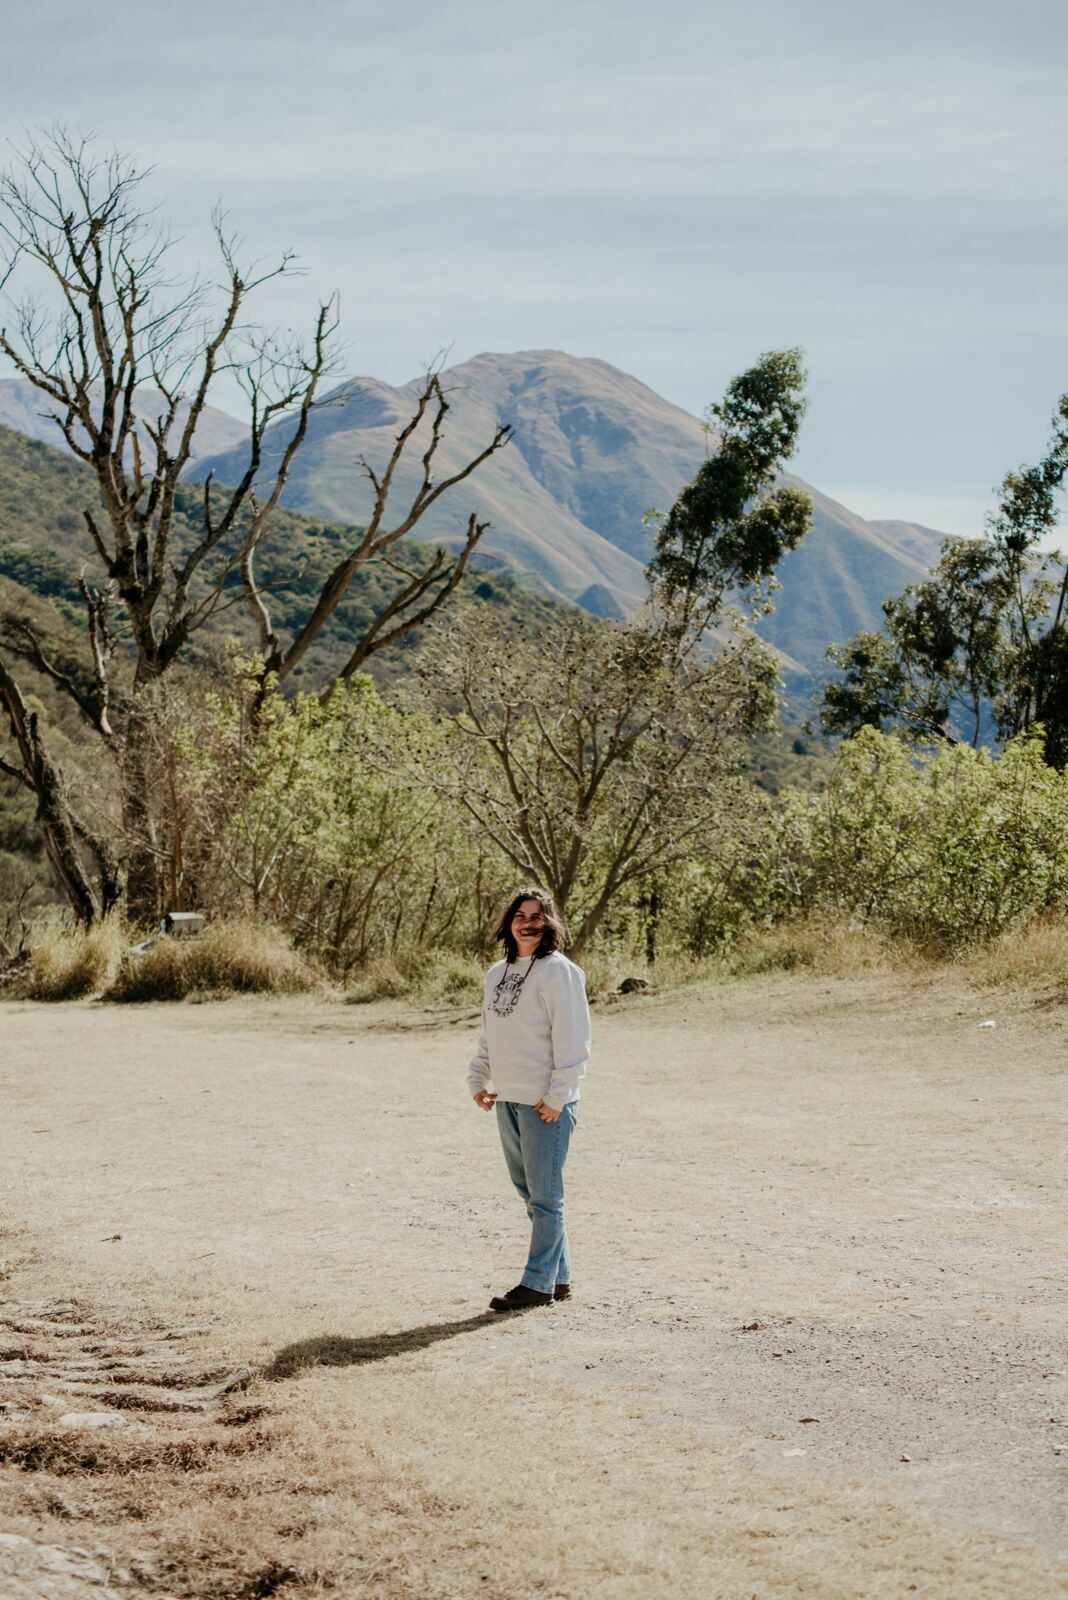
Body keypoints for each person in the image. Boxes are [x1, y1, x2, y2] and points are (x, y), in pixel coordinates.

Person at [468, 886, 591, 1312]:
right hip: (508, 1099)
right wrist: (478, 1078)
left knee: (546, 1197)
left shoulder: (560, 972)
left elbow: (574, 1040)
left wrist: (558, 1096)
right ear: (509, 923)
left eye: (537, 916)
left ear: (549, 922)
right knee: (531, 1195)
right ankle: (559, 1278)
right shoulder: (496, 974)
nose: (528, 923)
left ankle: (537, 1285)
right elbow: (491, 1034)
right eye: (520, 916)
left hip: (545, 1105)